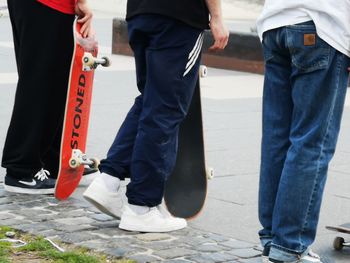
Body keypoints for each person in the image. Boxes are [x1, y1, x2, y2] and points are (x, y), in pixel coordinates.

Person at [83, 0, 229, 232]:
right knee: (166, 109)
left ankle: (108, 181)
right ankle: (141, 207)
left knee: (152, 100)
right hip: (178, 18)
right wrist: (218, 17)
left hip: (141, 14)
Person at [256, 1, 350, 262]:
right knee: (311, 143)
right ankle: (289, 245)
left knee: (277, 139)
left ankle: (273, 239)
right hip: (322, 26)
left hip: (275, 25)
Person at [2, 0, 93, 194]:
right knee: (40, 80)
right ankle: (21, 168)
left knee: (54, 82)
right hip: (48, 4)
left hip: (44, 4)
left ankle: (53, 160)